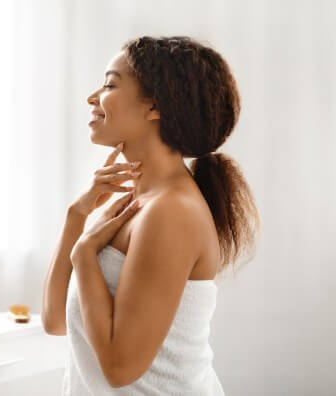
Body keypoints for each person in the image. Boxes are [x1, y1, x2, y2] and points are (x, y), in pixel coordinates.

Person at [42, 36, 260, 395]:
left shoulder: (171, 212)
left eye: (111, 84)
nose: (93, 98)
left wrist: (84, 255)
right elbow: (54, 322)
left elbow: (120, 367)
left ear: (155, 106)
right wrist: (75, 217)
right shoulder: (125, 205)